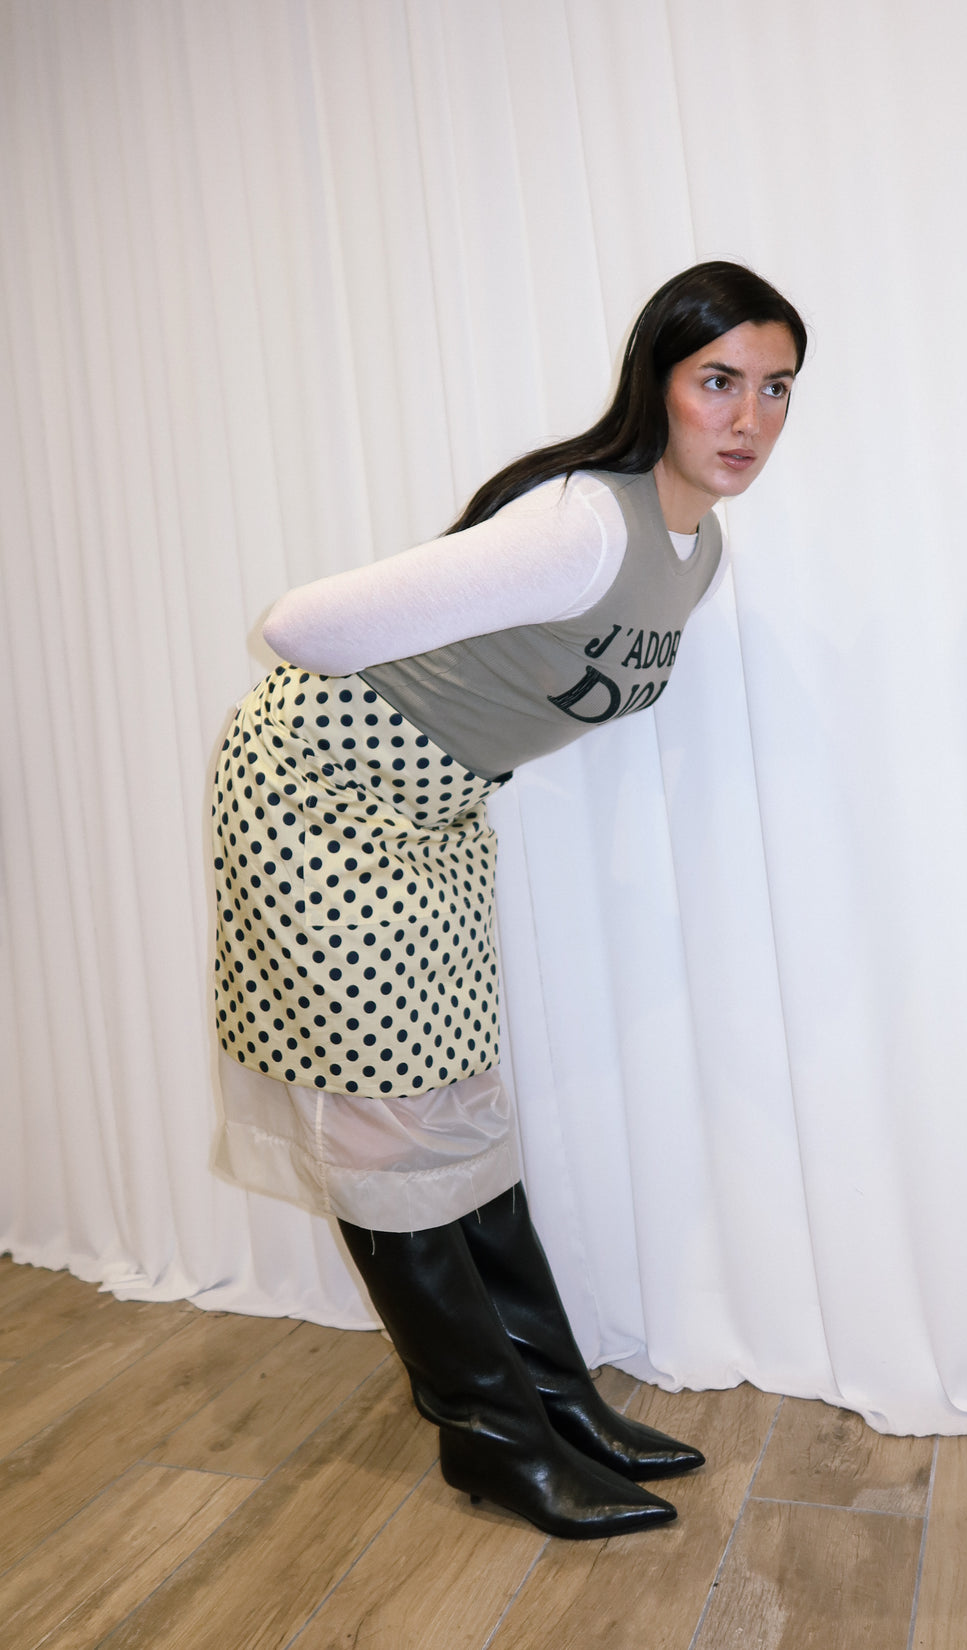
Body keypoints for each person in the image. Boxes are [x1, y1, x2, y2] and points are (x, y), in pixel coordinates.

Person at [212, 261, 806, 1539]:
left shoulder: (693, 554)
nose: (748, 418)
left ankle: (556, 1402)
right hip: (313, 800)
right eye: (719, 383)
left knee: (460, 1098)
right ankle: (491, 1439)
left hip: (429, 817)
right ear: (659, 382)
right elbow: (295, 625)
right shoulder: (584, 523)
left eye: (774, 389)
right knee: (387, 1119)